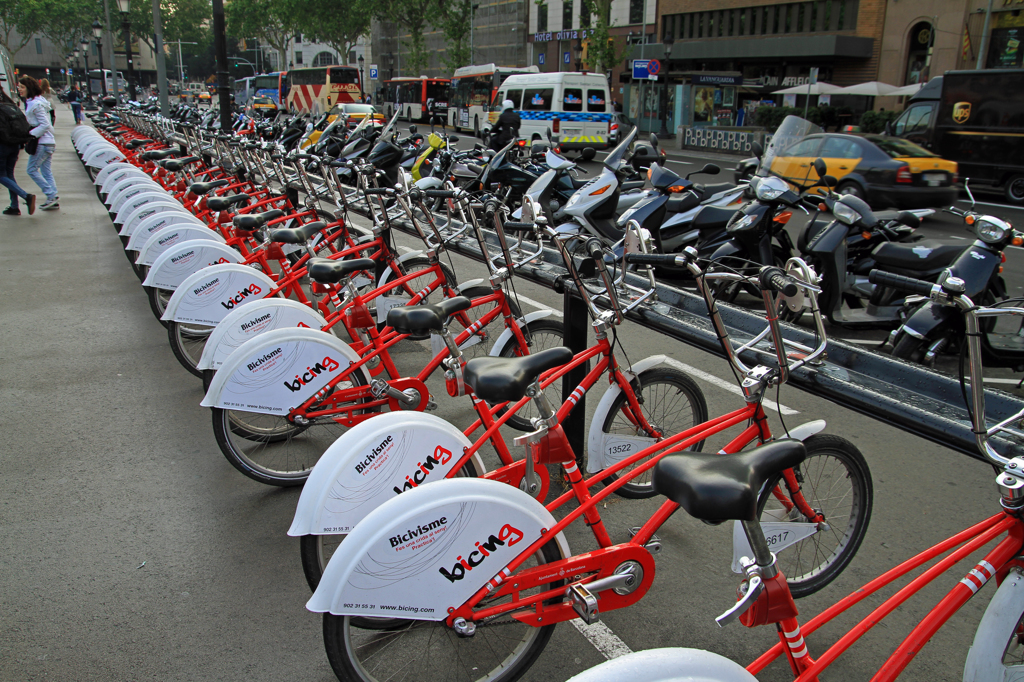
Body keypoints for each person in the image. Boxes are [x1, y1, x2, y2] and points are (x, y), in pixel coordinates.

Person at [17, 76, 57, 211]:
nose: (19, 89)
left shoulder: (35, 104)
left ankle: (51, 194)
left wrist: (30, 135)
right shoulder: (38, 102)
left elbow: (44, 124)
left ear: (29, 88)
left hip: (42, 142)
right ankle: (53, 197)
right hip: (48, 141)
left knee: (31, 170)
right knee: (46, 171)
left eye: (22, 87)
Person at [0, 85, 35, 215]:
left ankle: (26, 196)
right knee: (9, 175)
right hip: (14, 144)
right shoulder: (10, 104)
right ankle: (14, 206)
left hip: (2, 145)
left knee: (1, 175)